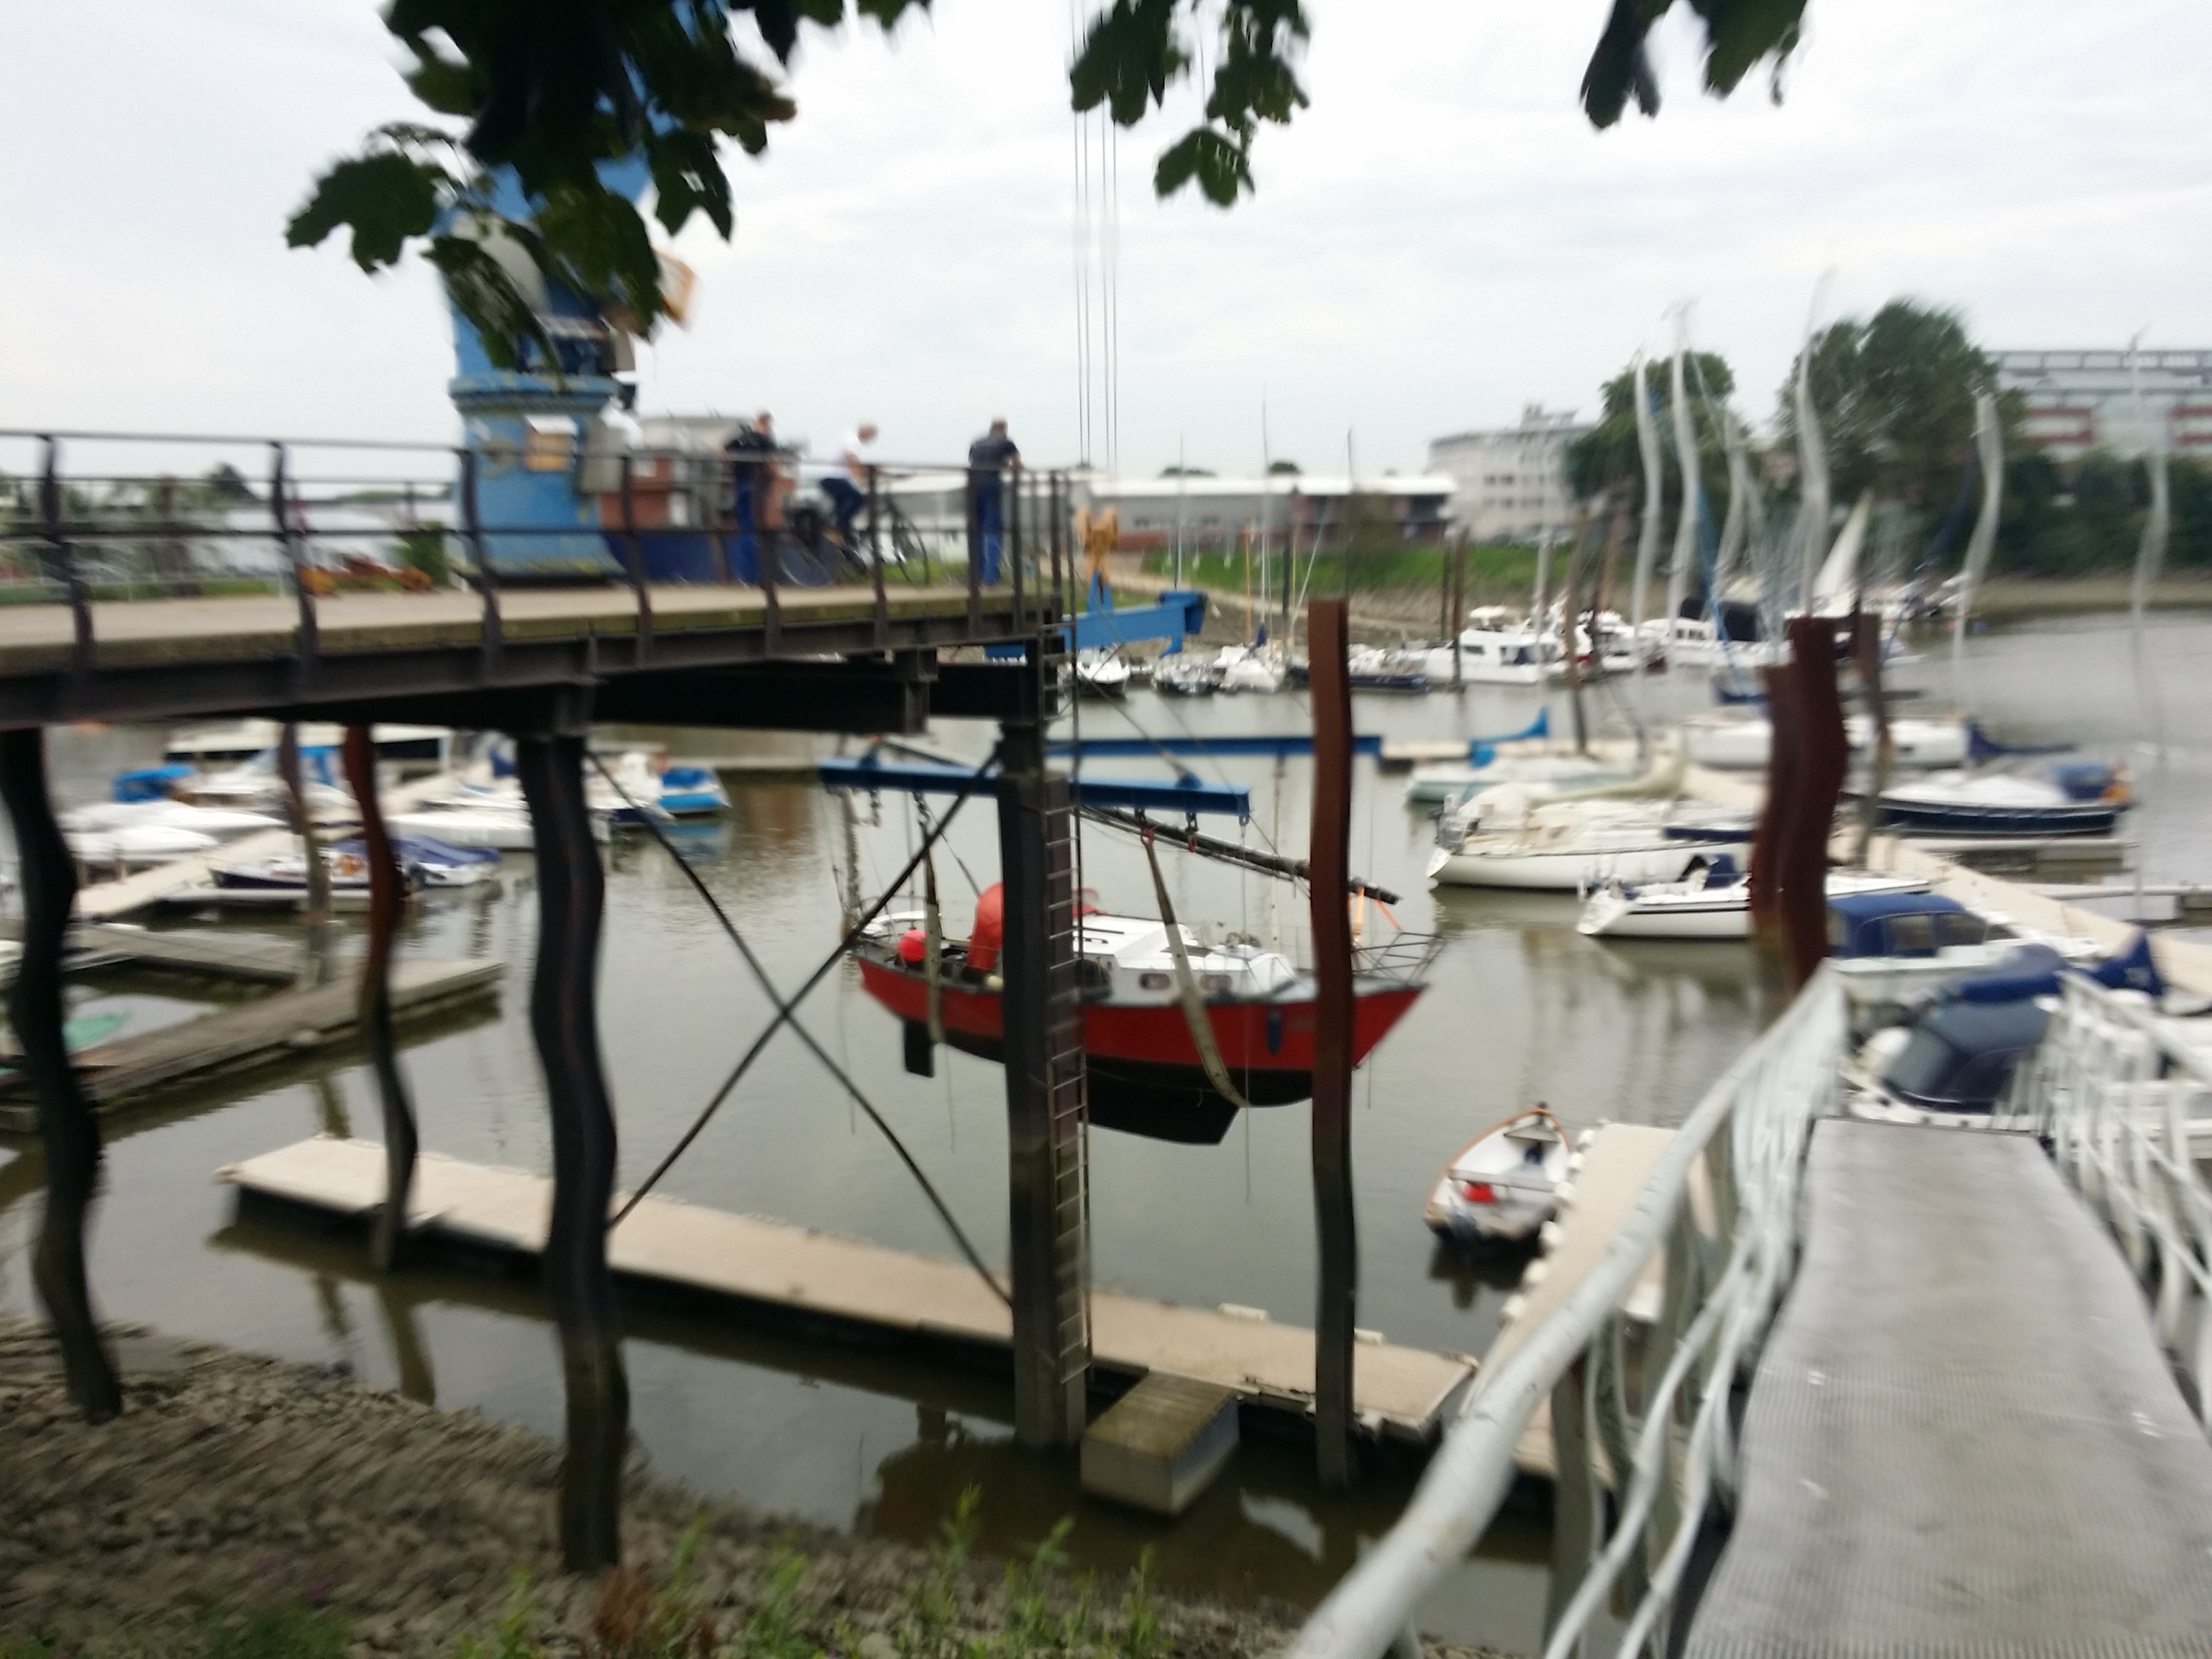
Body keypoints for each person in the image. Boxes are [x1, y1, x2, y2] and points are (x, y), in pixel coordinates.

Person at [722, 412, 779, 581]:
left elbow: (723, 452)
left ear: (755, 422)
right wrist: (772, 478)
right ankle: (757, 576)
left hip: (740, 484)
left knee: (744, 529)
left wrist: (736, 465)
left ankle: (744, 575)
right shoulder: (766, 440)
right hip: (758, 486)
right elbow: (772, 463)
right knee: (756, 528)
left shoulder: (740, 437)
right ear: (768, 425)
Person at [966, 418, 1021, 586]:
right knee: (993, 532)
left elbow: (974, 461)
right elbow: (1017, 464)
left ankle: (976, 576)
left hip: (973, 487)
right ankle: (991, 578)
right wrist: (1011, 467)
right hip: (991, 488)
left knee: (976, 532)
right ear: (1003, 429)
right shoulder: (1006, 442)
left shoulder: (977, 442)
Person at [819, 422, 877, 547]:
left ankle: (845, 539)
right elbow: (851, 460)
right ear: (867, 433)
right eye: (872, 437)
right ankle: (835, 531)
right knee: (858, 499)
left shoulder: (848, 436)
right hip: (833, 476)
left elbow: (854, 463)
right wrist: (861, 478)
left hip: (830, 476)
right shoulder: (853, 441)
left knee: (844, 507)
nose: (870, 441)